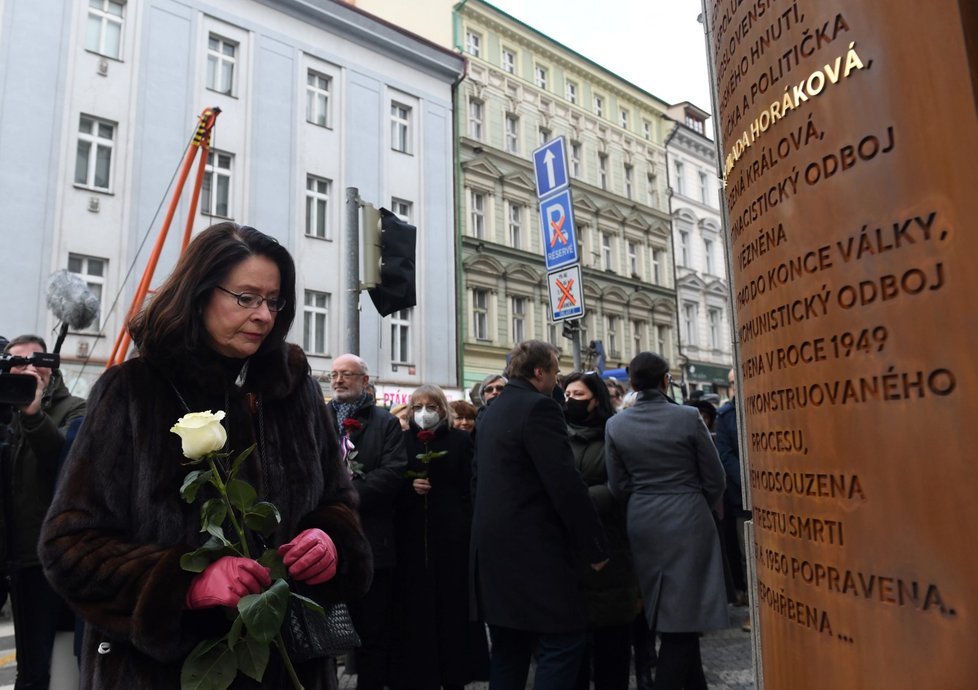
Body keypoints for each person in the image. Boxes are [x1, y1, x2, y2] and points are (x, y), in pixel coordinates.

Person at [38, 223, 373, 689]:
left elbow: (339, 500)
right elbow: (69, 546)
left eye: (274, 301)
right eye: (246, 298)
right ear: (199, 293)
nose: (263, 316)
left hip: (288, 667)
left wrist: (331, 540)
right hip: (162, 673)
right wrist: (185, 584)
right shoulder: (134, 391)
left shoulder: (292, 389)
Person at [471, 340, 608, 690]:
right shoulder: (539, 409)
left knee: (509, 648)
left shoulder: (492, 411)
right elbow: (565, 485)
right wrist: (594, 546)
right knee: (563, 639)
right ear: (539, 372)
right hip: (534, 552)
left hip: (493, 552)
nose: (558, 380)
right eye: (555, 372)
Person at [605, 352, 727, 690]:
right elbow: (715, 477)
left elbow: (618, 485)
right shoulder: (688, 417)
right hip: (688, 515)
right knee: (683, 619)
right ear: (665, 380)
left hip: (642, 519)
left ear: (631, 384)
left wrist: (644, 500)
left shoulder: (615, 424)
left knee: (667, 610)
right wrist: (694, 501)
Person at [389, 385, 489, 689]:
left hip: (451, 538)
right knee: (415, 611)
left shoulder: (459, 441)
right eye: (417, 405)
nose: (423, 411)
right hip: (411, 539)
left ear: (442, 409)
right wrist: (410, 489)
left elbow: (469, 486)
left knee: (451, 610)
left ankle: (455, 673)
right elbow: (392, 483)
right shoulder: (401, 441)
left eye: (430, 405)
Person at [2, 335, 85, 690]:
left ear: (50, 367)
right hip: (11, 556)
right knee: (28, 664)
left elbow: (64, 462)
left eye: (35, 361)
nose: (27, 370)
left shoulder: (75, 409)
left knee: (41, 669)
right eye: (16, 363)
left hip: (46, 560)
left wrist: (33, 413)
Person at [325, 353, 407, 690]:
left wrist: (348, 494)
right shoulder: (317, 417)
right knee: (324, 633)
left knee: (373, 631)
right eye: (334, 375)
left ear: (365, 381)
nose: (339, 380)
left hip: (372, 542)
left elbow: (393, 471)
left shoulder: (384, 421)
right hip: (325, 542)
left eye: (347, 374)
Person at [563, 372, 640, 690]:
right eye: (566, 394)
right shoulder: (556, 436)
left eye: (578, 395)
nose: (569, 401)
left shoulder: (615, 434)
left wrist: (580, 500)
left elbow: (623, 487)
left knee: (612, 650)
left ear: (596, 400)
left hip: (610, 553)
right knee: (574, 653)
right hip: (569, 556)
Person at [716, 368, 751, 619]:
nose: (734, 386)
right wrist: (748, 482)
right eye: (730, 383)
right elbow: (725, 455)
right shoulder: (726, 415)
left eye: (736, 380)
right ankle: (753, 607)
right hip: (741, 497)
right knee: (746, 554)